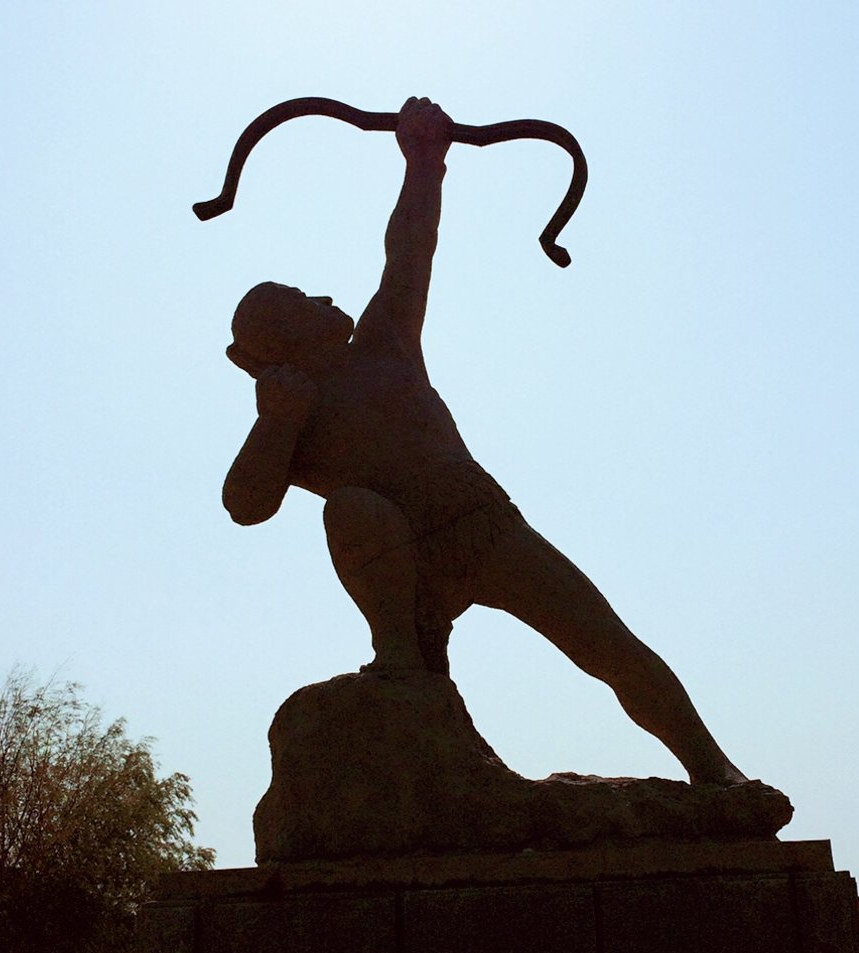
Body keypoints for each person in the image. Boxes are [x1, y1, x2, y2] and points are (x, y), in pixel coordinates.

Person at [220, 96, 746, 787]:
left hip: (480, 524)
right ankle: (402, 657)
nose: (322, 299)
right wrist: (276, 422)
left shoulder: (382, 344)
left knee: (605, 644)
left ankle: (714, 769)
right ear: (283, 342)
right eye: (301, 301)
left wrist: (424, 163)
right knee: (349, 509)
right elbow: (244, 504)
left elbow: (410, 249)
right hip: (405, 564)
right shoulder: (293, 418)